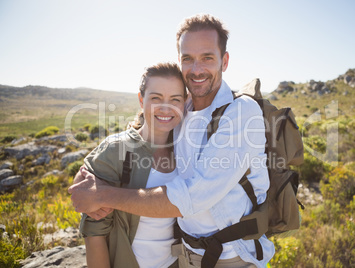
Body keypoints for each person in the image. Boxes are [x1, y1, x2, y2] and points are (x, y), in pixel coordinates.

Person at [69, 14, 275, 268]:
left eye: (207, 58)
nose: (197, 69)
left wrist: (102, 195)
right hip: (185, 256)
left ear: (225, 60)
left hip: (232, 258)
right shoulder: (183, 109)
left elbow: (190, 198)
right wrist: (93, 169)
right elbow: (151, 121)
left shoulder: (241, 112)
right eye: (188, 58)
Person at [79, 62, 187, 268]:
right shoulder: (117, 149)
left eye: (175, 99)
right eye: (156, 98)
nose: (166, 108)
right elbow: (94, 233)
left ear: (185, 102)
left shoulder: (186, 149)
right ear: (141, 99)